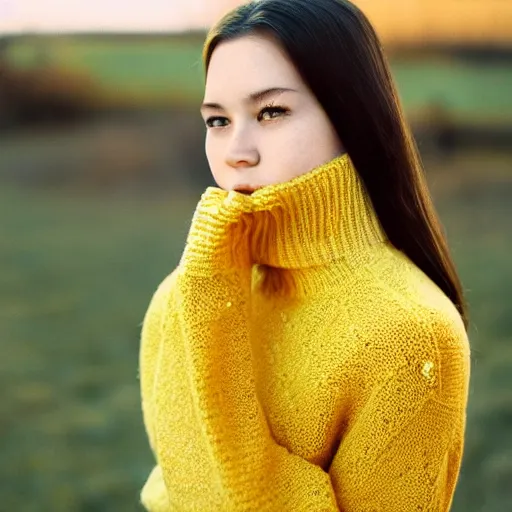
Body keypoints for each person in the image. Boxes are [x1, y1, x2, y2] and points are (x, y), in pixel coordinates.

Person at [138, 0, 471, 510]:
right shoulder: (181, 296)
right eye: (217, 120)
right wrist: (204, 302)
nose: (235, 151)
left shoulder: (411, 336)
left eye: (271, 112)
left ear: (352, 117)